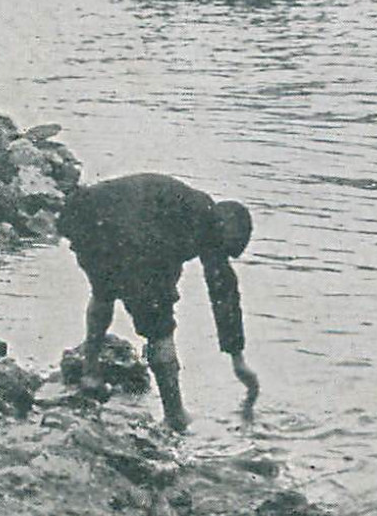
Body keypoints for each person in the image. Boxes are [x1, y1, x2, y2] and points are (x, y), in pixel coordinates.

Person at [56, 173, 260, 431]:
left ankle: (91, 374)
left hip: (84, 215)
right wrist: (237, 359)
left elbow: (220, 287)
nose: (221, 257)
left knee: (104, 290)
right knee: (160, 329)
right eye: (225, 251)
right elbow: (222, 290)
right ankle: (174, 416)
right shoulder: (203, 226)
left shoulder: (192, 208)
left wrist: (236, 355)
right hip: (129, 235)